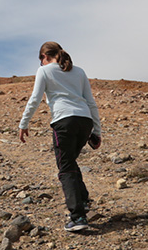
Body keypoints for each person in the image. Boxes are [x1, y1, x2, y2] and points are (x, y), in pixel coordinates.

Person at [18, 42, 102, 232]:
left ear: (44, 56)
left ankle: (78, 217)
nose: (40, 62)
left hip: (64, 121)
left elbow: (35, 99)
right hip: (85, 121)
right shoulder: (79, 72)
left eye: (40, 58)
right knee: (69, 161)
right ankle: (83, 200)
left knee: (65, 168)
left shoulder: (45, 71)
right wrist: (96, 131)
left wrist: (23, 124)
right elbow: (91, 102)